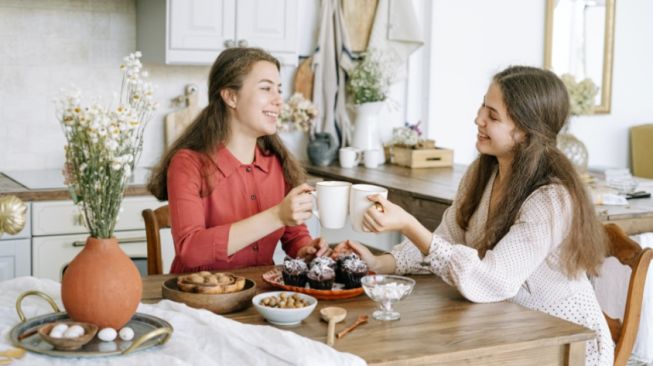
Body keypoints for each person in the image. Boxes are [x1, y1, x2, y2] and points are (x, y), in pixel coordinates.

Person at [334, 66, 613, 365]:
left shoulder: (551, 199)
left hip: (566, 343)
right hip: (508, 327)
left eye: (493, 116)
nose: (478, 118)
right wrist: (379, 262)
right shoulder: (483, 173)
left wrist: (409, 224)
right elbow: (445, 242)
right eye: (483, 106)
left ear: (525, 132)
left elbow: (492, 281)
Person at [148, 47, 329, 273]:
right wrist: (276, 215)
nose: (278, 100)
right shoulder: (188, 163)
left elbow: (294, 235)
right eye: (266, 88)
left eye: (278, 90)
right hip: (199, 301)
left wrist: (306, 249)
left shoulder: (277, 163)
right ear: (231, 97)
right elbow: (190, 250)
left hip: (261, 300)